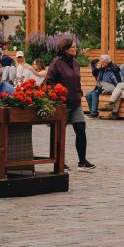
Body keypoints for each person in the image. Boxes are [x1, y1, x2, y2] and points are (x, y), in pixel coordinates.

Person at [45, 38, 95, 170]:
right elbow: (49, 82)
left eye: (75, 47)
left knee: (81, 130)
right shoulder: (56, 63)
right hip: (62, 104)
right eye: (72, 47)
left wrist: (79, 92)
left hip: (76, 102)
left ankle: (82, 162)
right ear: (65, 49)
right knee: (59, 133)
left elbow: (76, 80)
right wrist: (58, 96)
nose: (75, 48)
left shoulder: (75, 63)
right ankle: (60, 162)